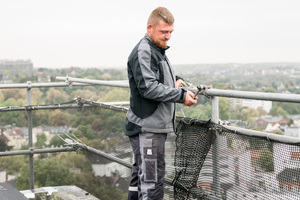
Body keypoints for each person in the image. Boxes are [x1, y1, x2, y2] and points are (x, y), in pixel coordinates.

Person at [125, 7, 197, 200]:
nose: (168, 37)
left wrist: (175, 81)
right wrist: (181, 95)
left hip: (150, 128)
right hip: (148, 128)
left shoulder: (156, 49)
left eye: (170, 32)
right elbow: (148, 88)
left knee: (140, 178)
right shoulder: (145, 51)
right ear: (150, 28)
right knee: (151, 181)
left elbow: (156, 78)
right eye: (163, 32)